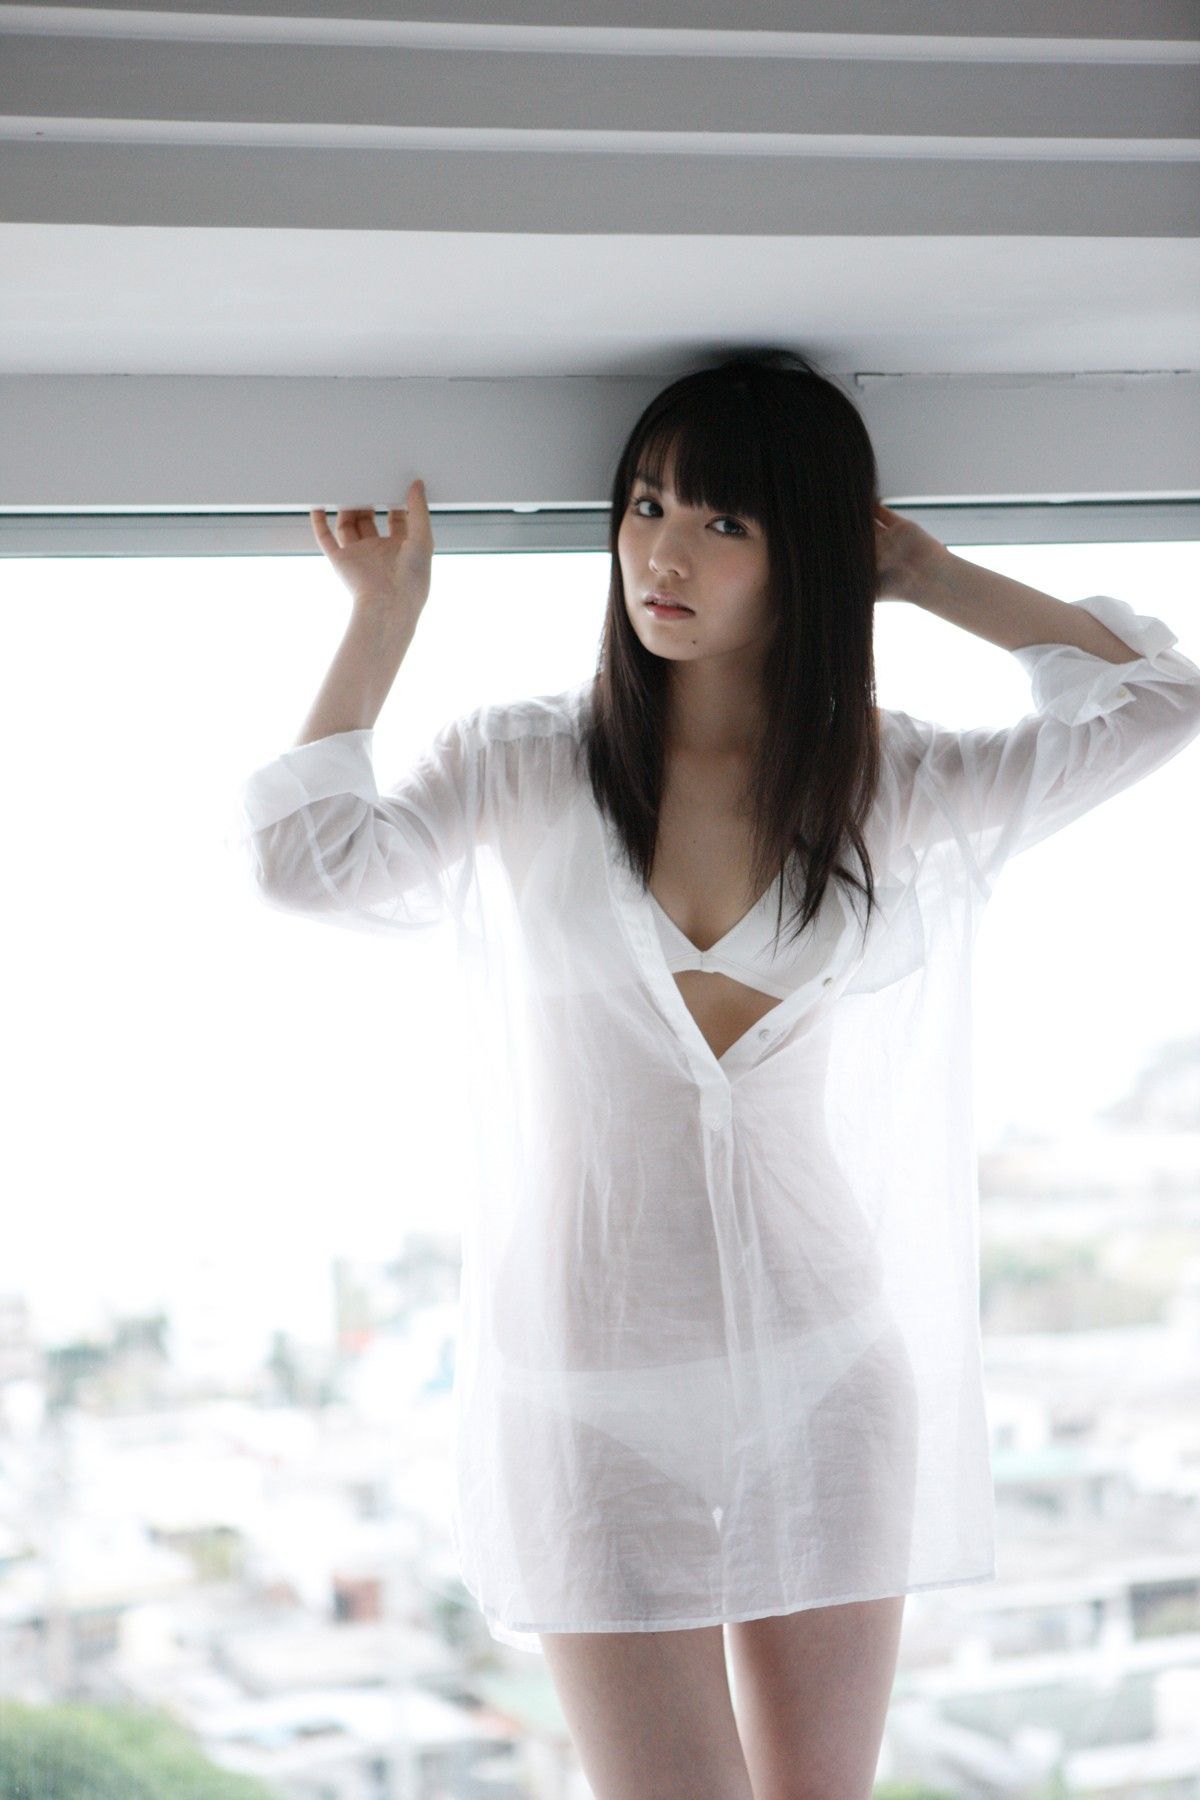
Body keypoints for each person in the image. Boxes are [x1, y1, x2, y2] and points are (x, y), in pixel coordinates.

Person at [234, 349, 1200, 1799]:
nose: (662, 556)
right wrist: (384, 618)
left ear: (806, 556)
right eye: (645, 506)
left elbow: (1157, 704)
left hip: (828, 1367)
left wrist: (925, 573)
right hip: (588, 1387)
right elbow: (306, 862)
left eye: (723, 522)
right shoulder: (526, 763)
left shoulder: (887, 781)